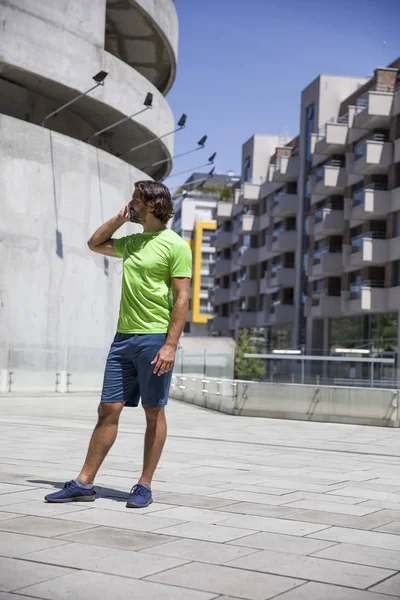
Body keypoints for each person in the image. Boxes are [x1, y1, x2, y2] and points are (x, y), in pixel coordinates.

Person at [45, 181, 192, 508]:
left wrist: (170, 345)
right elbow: (95, 243)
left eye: (136, 201)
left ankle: (144, 485)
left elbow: (182, 299)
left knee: (153, 412)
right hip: (123, 338)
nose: (131, 204)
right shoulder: (133, 241)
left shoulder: (175, 245)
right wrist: (119, 219)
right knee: (107, 409)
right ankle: (84, 482)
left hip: (155, 338)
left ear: (152, 205)